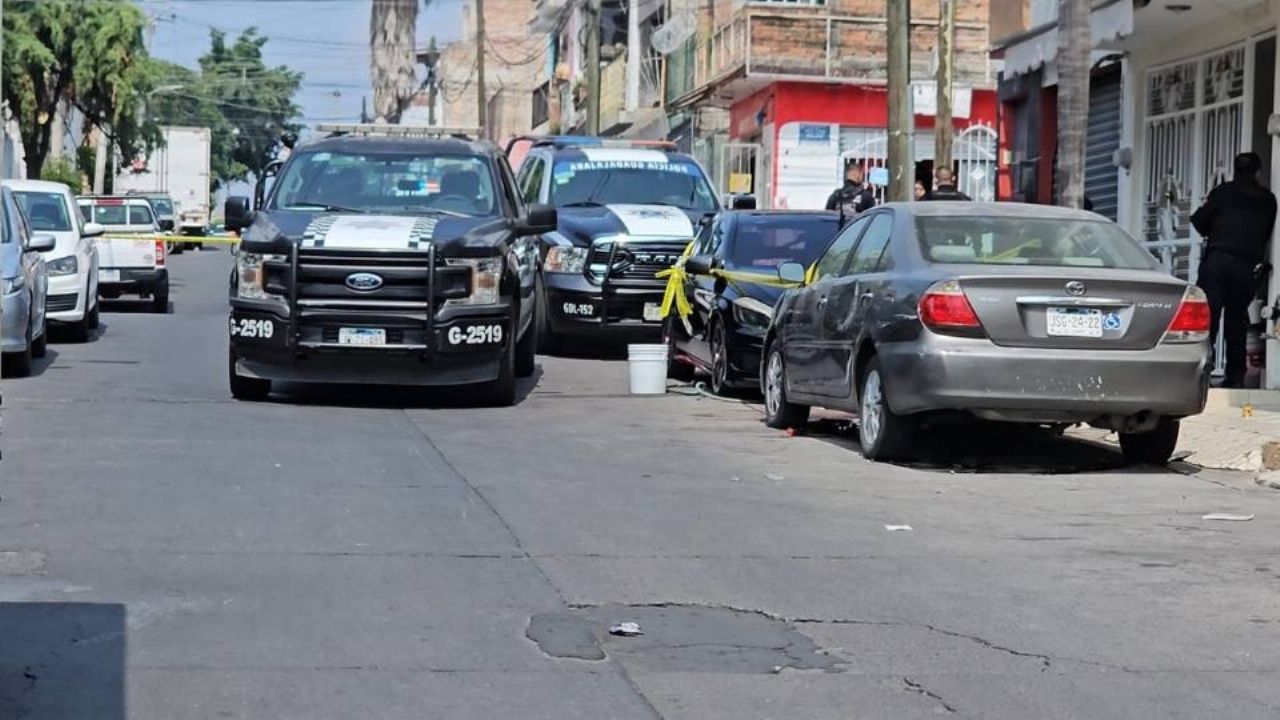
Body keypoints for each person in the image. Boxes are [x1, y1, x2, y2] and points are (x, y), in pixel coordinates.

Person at [1192, 152, 1278, 388]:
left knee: (1208, 322)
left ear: (1235, 170)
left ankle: (1200, 375)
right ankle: (1235, 378)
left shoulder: (1223, 193)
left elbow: (1199, 221)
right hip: (1244, 267)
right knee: (1236, 324)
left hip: (1217, 262)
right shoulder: (1268, 200)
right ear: (1258, 172)